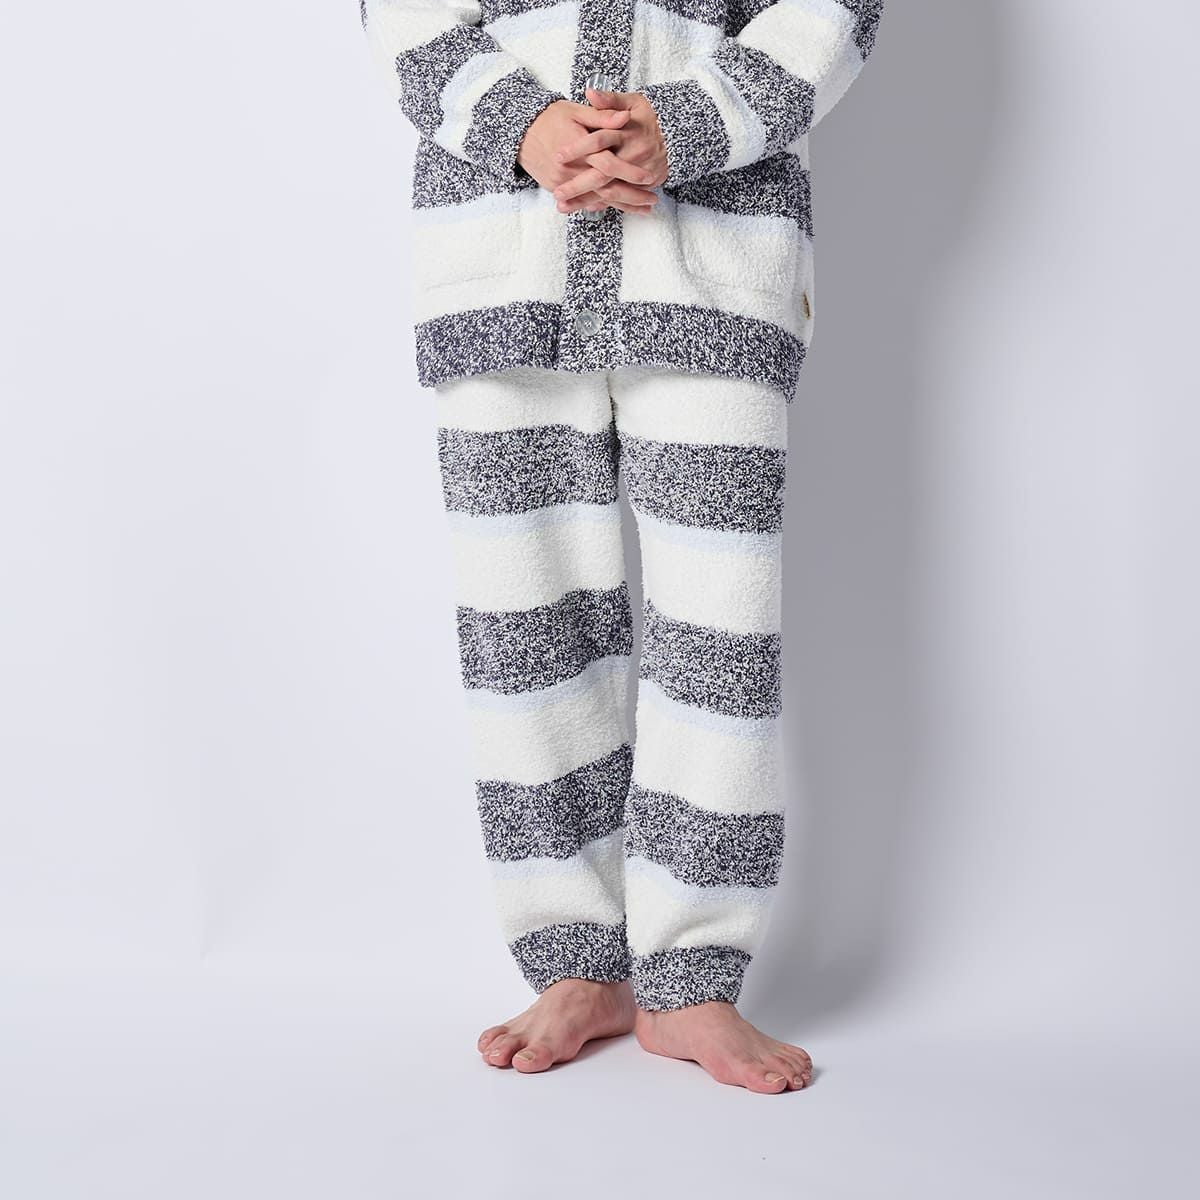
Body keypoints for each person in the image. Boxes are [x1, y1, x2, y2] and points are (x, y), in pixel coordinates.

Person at [359, 0, 884, 1093]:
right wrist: (517, 123)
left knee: (717, 638)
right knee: (527, 638)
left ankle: (691, 976)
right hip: (502, 264)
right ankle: (577, 963)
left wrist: (687, 126)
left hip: (715, 259)